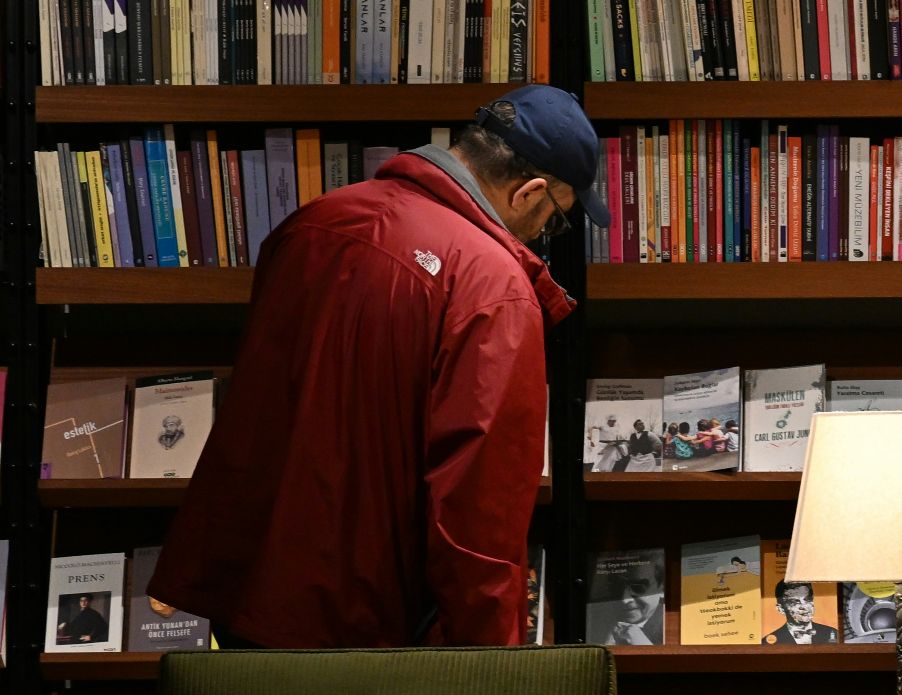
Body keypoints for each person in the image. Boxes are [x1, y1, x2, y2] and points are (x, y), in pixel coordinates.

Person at [147, 85, 607, 648]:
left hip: (251, 596)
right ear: (529, 191)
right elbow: (478, 511)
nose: (544, 236)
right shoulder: (491, 284)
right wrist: (491, 663)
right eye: (556, 219)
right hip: (371, 628)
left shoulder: (314, 222)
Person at [762, 580, 839, 644]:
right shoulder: (768, 642)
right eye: (795, 602)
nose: (804, 606)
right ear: (781, 609)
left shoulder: (833, 633)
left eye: (807, 600)